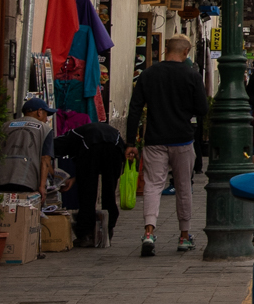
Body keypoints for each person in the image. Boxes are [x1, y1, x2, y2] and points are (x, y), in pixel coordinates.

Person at [125, 34, 209, 257]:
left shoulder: (148, 74)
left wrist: (130, 142)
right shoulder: (191, 75)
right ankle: (184, 236)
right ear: (186, 52)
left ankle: (149, 232)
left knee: (153, 185)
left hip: (154, 139)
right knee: (183, 186)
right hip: (182, 139)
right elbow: (202, 109)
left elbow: (134, 109)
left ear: (165, 51)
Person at [57, 116, 126, 248]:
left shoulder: (71, 136)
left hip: (93, 147)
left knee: (87, 192)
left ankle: (85, 233)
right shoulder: (85, 133)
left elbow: (86, 168)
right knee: (109, 191)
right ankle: (108, 228)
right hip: (114, 148)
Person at [0, 94, 55, 201]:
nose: (46, 119)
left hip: (2, 178)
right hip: (27, 180)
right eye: (46, 114)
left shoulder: (5, 126)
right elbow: (45, 159)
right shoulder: (45, 129)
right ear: (39, 112)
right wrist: (42, 186)